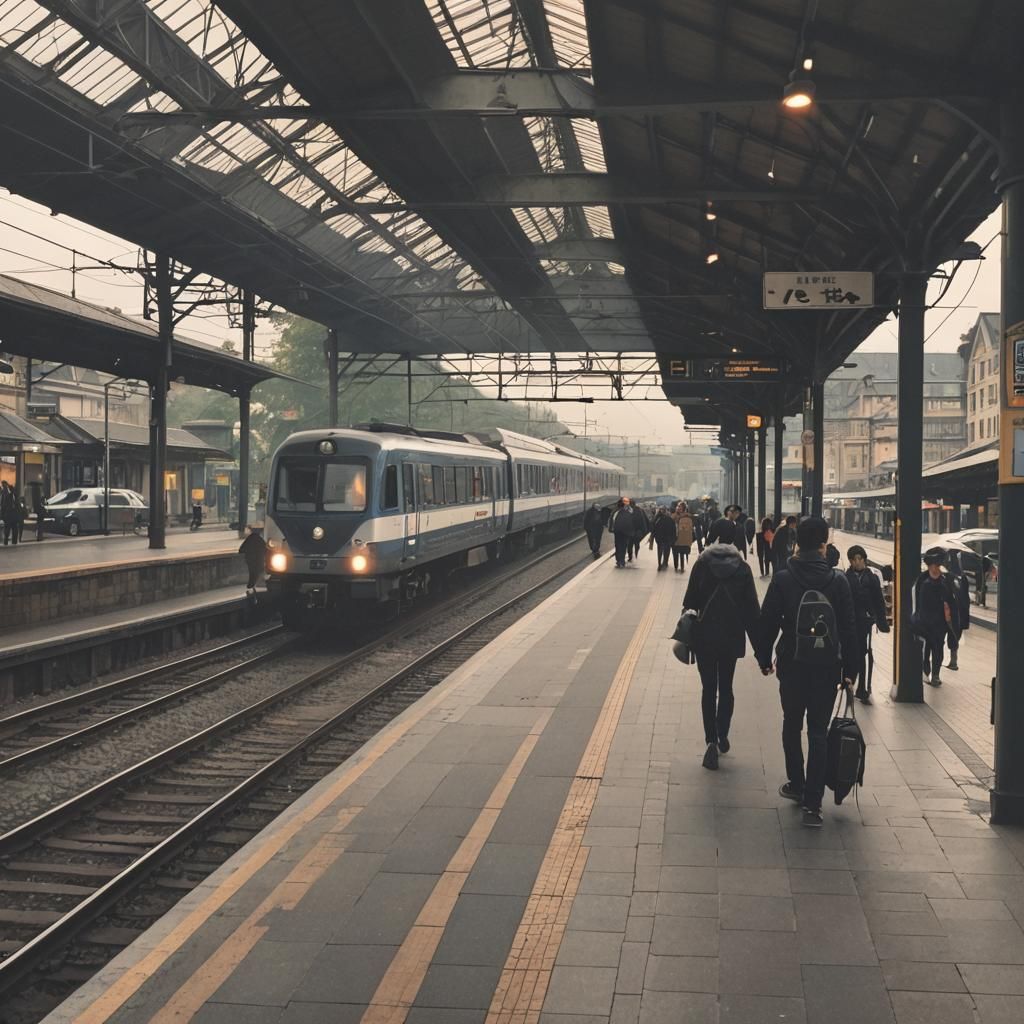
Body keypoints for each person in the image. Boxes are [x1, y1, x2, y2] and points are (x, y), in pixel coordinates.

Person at [756, 516, 857, 828]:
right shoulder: (838, 581)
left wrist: (764, 658)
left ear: (796, 542)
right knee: (818, 731)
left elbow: (767, 622)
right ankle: (813, 804)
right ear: (824, 543)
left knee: (791, 723)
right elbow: (849, 629)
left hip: (792, 664)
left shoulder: (783, 579)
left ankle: (797, 784)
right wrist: (850, 670)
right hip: (827, 667)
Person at [683, 519, 760, 770]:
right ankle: (722, 732)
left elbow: (689, 602)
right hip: (731, 637)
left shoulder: (702, 564)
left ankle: (710, 741)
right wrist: (762, 653)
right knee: (726, 687)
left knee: (708, 689)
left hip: (705, 637)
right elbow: (752, 612)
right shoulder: (743, 568)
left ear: (713, 535)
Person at [845, 545, 890, 703]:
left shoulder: (871, 578)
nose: (857, 562)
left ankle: (862, 688)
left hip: (865, 621)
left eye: (859, 559)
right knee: (854, 653)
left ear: (864, 559)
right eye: (853, 560)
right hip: (851, 621)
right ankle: (852, 683)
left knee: (863, 653)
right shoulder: (846, 577)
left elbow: (879, 601)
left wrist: (881, 622)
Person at [914, 548, 956, 687]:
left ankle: (936, 674)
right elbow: (918, 604)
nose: (936, 568)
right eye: (934, 565)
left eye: (938, 565)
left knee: (938, 649)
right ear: (929, 566)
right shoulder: (923, 581)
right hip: (926, 623)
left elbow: (952, 601)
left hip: (940, 623)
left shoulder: (946, 581)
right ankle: (926, 670)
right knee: (926, 649)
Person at [945, 553, 971, 671]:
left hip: (955, 612)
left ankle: (953, 661)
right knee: (954, 635)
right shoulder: (961, 579)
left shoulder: (950, 578)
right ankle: (953, 660)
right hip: (959, 612)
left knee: (953, 635)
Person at [239, 525, 267, 593]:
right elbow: (266, 549)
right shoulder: (260, 540)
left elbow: (241, 549)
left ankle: (251, 585)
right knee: (258, 571)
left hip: (250, 559)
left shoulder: (249, 539)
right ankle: (252, 585)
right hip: (258, 559)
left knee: (252, 572)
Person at [611, 498, 637, 569]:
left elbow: (612, 520)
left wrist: (612, 529)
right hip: (625, 532)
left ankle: (618, 561)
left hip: (617, 532)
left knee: (618, 546)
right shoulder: (629, 512)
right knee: (623, 546)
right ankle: (622, 562)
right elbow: (632, 521)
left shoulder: (616, 512)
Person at [650, 506, 677, 571]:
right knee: (666, 550)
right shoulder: (670, 519)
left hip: (659, 538)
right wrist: (673, 538)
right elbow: (673, 529)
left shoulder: (657, 519)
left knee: (659, 550)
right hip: (667, 538)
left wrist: (653, 536)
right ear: (666, 511)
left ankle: (659, 564)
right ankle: (665, 562)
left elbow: (653, 527)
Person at [671, 502, 695, 572]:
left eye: (680, 506)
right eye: (678, 506)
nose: (678, 507)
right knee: (676, 552)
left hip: (681, 537)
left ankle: (681, 567)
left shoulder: (687, 516)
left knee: (681, 552)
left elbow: (691, 527)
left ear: (683, 508)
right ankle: (676, 566)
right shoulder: (675, 515)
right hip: (675, 536)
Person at [0, 481, 16, 546]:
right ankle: (6, 542)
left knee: (13, 528)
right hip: (8, 515)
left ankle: (12, 542)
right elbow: (3, 506)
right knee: (8, 529)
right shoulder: (6, 495)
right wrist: (2, 516)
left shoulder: (12, 495)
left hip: (12, 515)